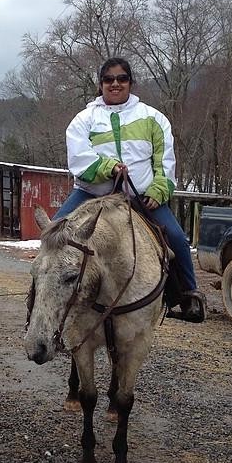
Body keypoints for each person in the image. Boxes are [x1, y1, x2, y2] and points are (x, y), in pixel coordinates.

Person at [54, 57, 206, 323]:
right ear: (100, 84)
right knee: (54, 232)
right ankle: (43, 296)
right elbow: (79, 159)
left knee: (176, 238)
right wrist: (109, 167)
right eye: (108, 79)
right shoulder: (84, 119)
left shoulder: (153, 118)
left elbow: (166, 162)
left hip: (141, 198)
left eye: (121, 78)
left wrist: (158, 190)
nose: (115, 84)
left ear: (130, 83)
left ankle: (187, 295)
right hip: (92, 195)